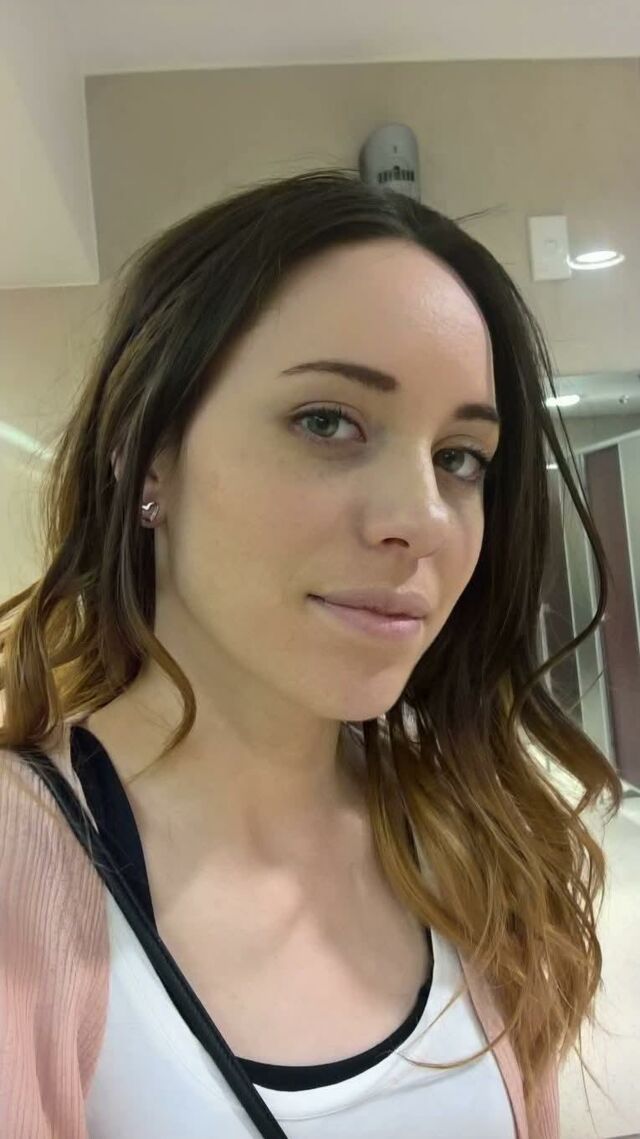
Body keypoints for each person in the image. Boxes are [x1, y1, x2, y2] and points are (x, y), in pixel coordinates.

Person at [0, 169, 621, 1139]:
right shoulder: (21, 861)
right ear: (146, 455)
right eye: (327, 421)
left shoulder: (471, 832)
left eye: (460, 456)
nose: (423, 519)